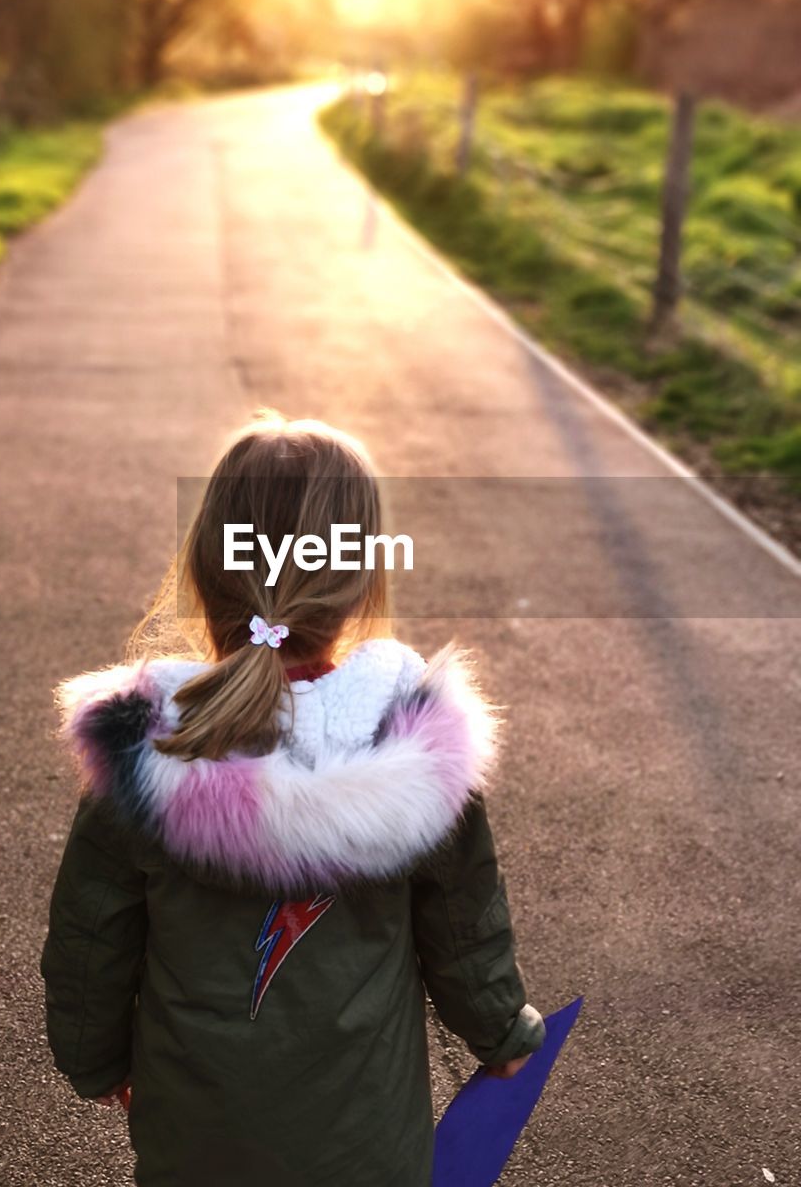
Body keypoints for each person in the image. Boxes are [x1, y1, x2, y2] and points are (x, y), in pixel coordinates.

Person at [40, 410, 545, 1187]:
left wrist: (92, 1057)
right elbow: (462, 924)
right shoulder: (409, 750)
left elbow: (91, 936)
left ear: (207, 569)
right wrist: (502, 1030)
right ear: (359, 578)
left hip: (197, 1139)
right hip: (367, 1142)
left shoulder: (149, 753)